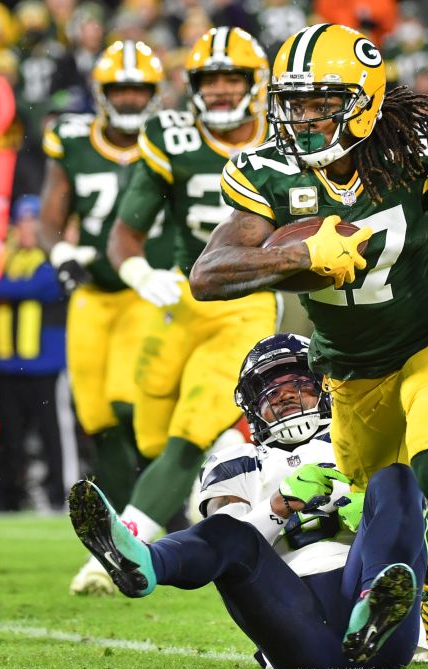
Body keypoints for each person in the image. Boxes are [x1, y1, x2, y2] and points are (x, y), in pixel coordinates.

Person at [187, 23, 428, 669]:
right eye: (293, 101)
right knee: (381, 506)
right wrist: (297, 253)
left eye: (319, 102)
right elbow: (208, 273)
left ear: (362, 102)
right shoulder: (273, 171)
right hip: (346, 365)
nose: (301, 118)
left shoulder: (412, 148)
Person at [69, 334, 428, 669]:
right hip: (298, 625)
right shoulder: (240, 459)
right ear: (253, 409)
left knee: (397, 478)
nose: (284, 395)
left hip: (379, 618)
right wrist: (279, 506)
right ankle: (146, 563)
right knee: (229, 531)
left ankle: (377, 605)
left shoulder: (365, 440)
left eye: (297, 384)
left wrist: (372, 505)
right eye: (270, 392)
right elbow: (223, 545)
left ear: (325, 386)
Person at [73, 27, 281, 595]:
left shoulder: (285, 142)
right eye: (208, 80)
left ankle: (128, 546)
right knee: (150, 433)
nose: (218, 91)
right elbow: (125, 231)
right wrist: (138, 270)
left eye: (229, 78)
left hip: (247, 303)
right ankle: (213, 504)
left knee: (189, 431)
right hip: (184, 301)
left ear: (253, 83)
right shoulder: (172, 136)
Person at [38, 40, 174, 532]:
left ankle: (157, 510)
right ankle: (121, 525)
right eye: (122, 89)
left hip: (149, 289)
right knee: (94, 414)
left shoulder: (171, 141)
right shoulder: (73, 139)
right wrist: (60, 253)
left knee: (127, 401)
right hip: (94, 293)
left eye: (140, 89)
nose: (132, 99)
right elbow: (51, 213)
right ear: (101, 92)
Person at [0, 195, 76, 511]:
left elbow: (36, 288)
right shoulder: (6, 258)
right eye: (22, 222)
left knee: (53, 433)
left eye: (33, 222)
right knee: (8, 435)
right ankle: (5, 497)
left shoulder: (54, 259)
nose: (27, 229)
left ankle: (60, 495)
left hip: (45, 363)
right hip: (8, 364)